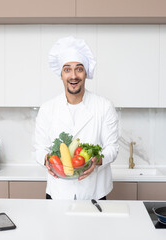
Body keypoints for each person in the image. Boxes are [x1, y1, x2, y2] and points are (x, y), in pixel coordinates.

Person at [35, 36, 119, 200]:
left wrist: (98, 160)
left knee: (95, 227)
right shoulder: (47, 109)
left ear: (86, 73)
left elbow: (112, 148)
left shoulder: (104, 106)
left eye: (79, 69)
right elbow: (39, 148)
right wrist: (46, 160)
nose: (73, 76)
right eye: (67, 69)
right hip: (58, 192)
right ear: (61, 74)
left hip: (95, 192)